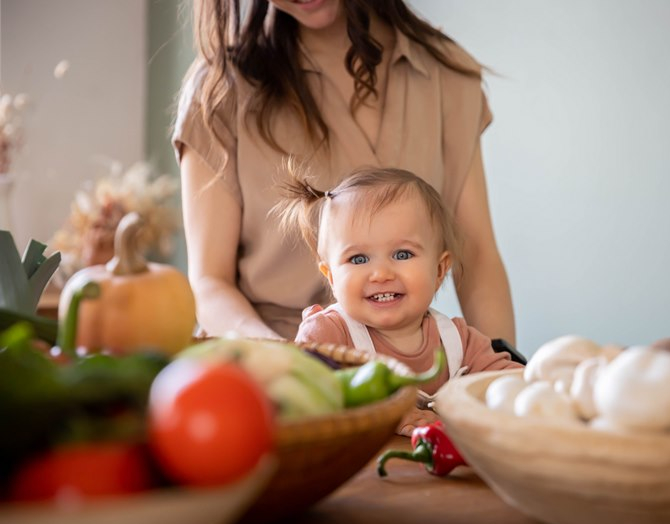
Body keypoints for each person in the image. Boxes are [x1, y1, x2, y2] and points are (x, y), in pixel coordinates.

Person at [173, 0, 516, 344]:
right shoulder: (218, 94)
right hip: (270, 369)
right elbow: (209, 282)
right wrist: (286, 363)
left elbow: (476, 255)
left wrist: (500, 379)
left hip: (414, 380)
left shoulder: (446, 74)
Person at [275, 166, 521, 432]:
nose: (381, 274)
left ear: (439, 270)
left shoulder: (458, 341)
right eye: (358, 259)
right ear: (331, 277)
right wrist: (385, 412)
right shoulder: (327, 336)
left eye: (402, 254)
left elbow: (510, 383)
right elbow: (302, 402)